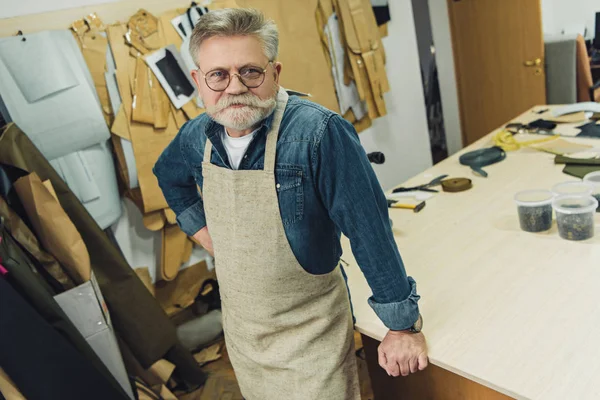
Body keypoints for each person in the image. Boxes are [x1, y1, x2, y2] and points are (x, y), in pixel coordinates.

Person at [153, 8, 428, 400]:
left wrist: (401, 326)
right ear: (199, 80)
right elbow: (169, 177)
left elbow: (369, 232)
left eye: (250, 71)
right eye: (218, 75)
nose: (234, 87)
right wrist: (203, 232)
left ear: (275, 73)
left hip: (311, 336)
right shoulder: (198, 136)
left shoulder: (317, 134)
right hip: (246, 337)